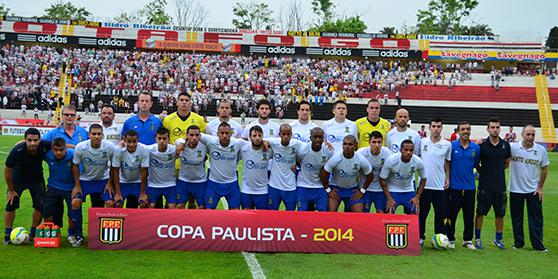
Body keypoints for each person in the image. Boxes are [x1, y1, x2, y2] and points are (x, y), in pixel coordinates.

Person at [71, 124, 115, 247]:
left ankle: (104, 235)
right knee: (75, 202)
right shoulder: (81, 147)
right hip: (85, 180)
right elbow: (75, 165)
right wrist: (77, 185)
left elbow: (114, 166)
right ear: (89, 135)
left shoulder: (109, 147)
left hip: (103, 180)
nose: (96, 136)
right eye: (94, 134)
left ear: (103, 135)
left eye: (99, 134)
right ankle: (78, 235)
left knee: (110, 204)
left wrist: (110, 183)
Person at [4, 128, 50, 244]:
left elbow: (62, 145)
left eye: (35, 140)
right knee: (11, 204)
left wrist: (79, 147)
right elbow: (7, 170)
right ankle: (7, 234)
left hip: (36, 179)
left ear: (40, 140)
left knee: (40, 206)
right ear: (25, 140)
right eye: (29, 140)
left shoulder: (44, 145)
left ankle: (33, 233)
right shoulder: (17, 150)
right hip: (18, 179)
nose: (33, 143)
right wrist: (11, 190)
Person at [509, 125, 549, 252]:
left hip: (533, 190)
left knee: (536, 218)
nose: (530, 137)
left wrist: (540, 187)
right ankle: (518, 243)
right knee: (516, 218)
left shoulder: (541, 150)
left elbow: (544, 168)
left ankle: (538, 244)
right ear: (522, 134)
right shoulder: (513, 147)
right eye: (528, 134)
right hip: (515, 189)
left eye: (532, 135)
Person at [475, 117, 511, 250]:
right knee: (480, 212)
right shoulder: (482, 146)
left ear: (500, 128)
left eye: (497, 127)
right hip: (484, 186)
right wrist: (484, 172)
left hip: (499, 186)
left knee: (500, 214)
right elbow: (477, 164)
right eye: (493, 127)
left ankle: (498, 239)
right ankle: (478, 239)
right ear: (488, 129)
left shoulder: (505, 145)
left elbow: (506, 163)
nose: (495, 130)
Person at [446, 121, 480, 250]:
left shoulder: (476, 148)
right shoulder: (452, 146)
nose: (466, 131)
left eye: (468, 129)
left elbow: (476, 164)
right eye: (463, 129)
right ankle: (450, 239)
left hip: (470, 187)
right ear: (458, 131)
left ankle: (467, 240)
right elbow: (447, 163)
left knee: (469, 215)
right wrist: (448, 179)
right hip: (454, 187)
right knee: (451, 215)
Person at [418, 118, 451, 247]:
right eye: (434, 126)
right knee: (422, 214)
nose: (436, 129)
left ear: (441, 128)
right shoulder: (422, 142)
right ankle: (420, 237)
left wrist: (447, 177)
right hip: (424, 186)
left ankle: (440, 238)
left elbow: (447, 163)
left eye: (438, 126)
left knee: (440, 215)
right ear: (429, 127)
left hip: (439, 187)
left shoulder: (447, 144)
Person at [320, 135, 373, 213]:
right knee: (331, 212)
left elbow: (370, 175)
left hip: (352, 189)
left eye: (350, 144)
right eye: (345, 144)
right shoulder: (336, 158)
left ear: (355, 146)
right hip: (336, 188)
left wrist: (362, 191)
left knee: (359, 213)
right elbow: (323, 175)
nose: (347, 146)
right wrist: (328, 190)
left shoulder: (361, 159)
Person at [200, 122, 246, 210]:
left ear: (231, 133)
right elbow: (194, 135)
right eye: (221, 133)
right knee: (209, 211)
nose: (224, 135)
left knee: (235, 212)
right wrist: (180, 142)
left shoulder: (238, 143)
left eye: (227, 133)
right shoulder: (211, 141)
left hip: (232, 184)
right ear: (217, 134)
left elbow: (254, 145)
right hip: (213, 184)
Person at [379, 140, 426, 215]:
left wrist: (417, 197)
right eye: (406, 150)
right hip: (393, 190)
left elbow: (423, 179)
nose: (408, 152)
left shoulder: (418, 161)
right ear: (400, 150)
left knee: (416, 212)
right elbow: (382, 179)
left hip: (408, 190)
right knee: (389, 212)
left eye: (411, 150)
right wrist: (389, 198)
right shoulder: (391, 160)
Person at [266, 124, 303, 211]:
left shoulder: (296, 144)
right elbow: (262, 140)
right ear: (279, 134)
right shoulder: (274, 142)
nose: (286, 136)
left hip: (290, 187)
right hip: (274, 186)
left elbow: (310, 148)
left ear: (291, 134)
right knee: (271, 214)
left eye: (288, 134)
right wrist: (265, 142)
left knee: (290, 215)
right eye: (283, 134)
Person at [296, 128, 333, 212]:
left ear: (323, 138)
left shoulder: (328, 150)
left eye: (320, 137)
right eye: (315, 137)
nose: (318, 139)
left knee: (322, 212)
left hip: (320, 187)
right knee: (302, 213)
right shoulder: (302, 150)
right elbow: (296, 160)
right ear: (310, 138)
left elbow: (331, 166)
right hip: (303, 186)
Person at [42, 138, 74, 236]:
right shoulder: (48, 155)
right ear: (52, 149)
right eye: (56, 150)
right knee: (47, 213)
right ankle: (53, 233)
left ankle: (71, 234)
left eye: (61, 150)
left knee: (72, 214)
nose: (58, 152)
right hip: (53, 187)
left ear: (66, 148)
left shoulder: (73, 154)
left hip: (70, 188)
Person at [111, 130, 149, 208]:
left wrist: (142, 194)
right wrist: (118, 193)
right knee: (117, 204)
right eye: (129, 141)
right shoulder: (118, 149)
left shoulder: (144, 149)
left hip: (138, 182)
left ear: (138, 140)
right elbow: (115, 171)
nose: (131, 144)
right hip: (123, 182)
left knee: (143, 204)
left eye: (134, 141)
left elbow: (144, 172)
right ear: (124, 140)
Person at [356, 131, 392, 213]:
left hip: (380, 190)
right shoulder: (361, 153)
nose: (377, 145)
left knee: (381, 214)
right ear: (369, 142)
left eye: (379, 142)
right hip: (365, 189)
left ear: (382, 142)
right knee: (364, 214)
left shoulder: (387, 153)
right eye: (374, 142)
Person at [146, 127, 181, 209]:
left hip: (170, 184)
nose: (161, 141)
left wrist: (181, 142)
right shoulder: (149, 149)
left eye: (164, 138)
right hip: (153, 184)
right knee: (150, 207)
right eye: (159, 138)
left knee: (172, 208)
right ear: (155, 139)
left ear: (168, 139)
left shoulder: (173, 150)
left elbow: (182, 141)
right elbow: (138, 146)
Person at [239, 125, 272, 209]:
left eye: (259, 135)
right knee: (246, 217)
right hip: (246, 190)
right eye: (254, 135)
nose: (257, 138)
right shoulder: (244, 149)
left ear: (263, 136)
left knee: (262, 218)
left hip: (263, 191)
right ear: (249, 137)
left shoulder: (268, 150)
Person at [175, 125, 208, 209]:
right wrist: (182, 143)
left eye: (197, 135)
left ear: (200, 136)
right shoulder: (180, 144)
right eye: (191, 135)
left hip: (200, 181)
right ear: (186, 135)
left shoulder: (204, 146)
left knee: (202, 207)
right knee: (180, 206)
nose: (194, 137)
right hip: (183, 181)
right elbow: (179, 140)